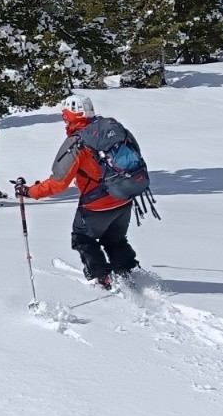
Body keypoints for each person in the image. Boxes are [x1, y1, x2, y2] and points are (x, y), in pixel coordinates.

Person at [15, 95, 139, 289]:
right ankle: (127, 275)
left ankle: (102, 278)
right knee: (115, 239)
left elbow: (58, 184)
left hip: (97, 204)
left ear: (69, 116)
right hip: (125, 196)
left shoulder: (78, 142)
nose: (64, 120)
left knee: (82, 238)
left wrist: (29, 191)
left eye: (64, 116)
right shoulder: (112, 129)